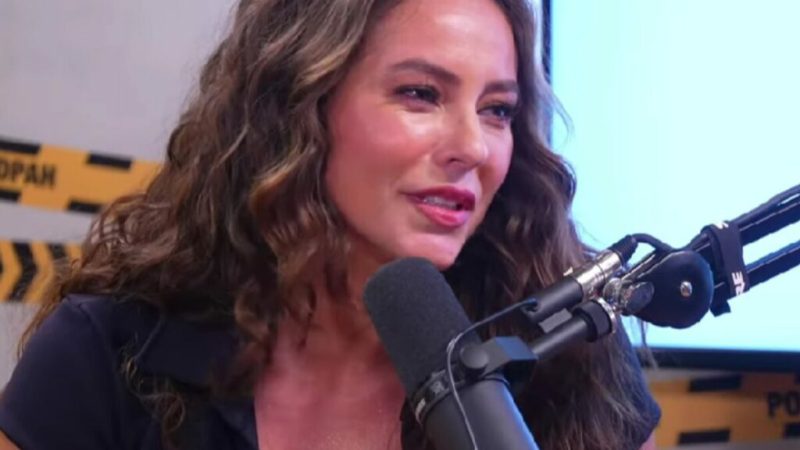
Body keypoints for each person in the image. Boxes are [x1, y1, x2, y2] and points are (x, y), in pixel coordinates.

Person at [0, 0, 660, 448]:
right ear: (301, 108)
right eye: (421, 94)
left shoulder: (570, 351)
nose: (474, 147)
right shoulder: (108, 354)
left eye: (497, 110)